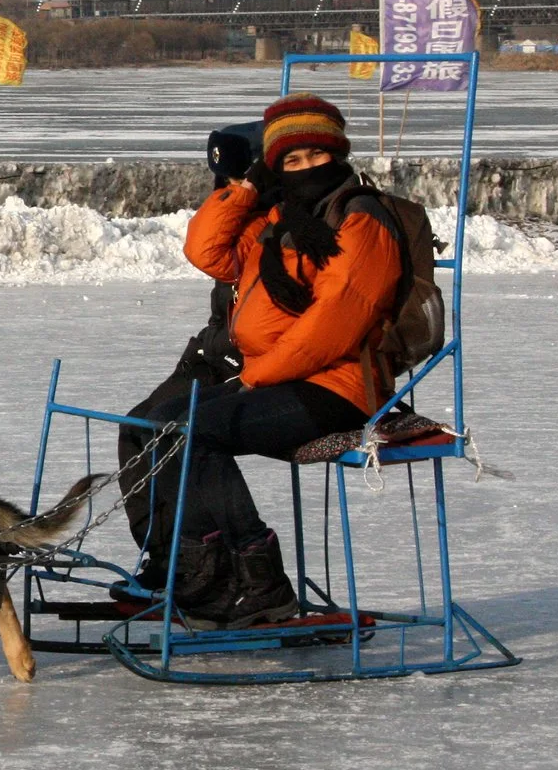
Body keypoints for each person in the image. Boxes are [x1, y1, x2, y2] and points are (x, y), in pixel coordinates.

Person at [135, 93, 402, 626]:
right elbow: (206, 251)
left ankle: (260, 586)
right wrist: (249, 187)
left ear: (339, 154)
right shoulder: (282, 219)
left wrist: (254, 377)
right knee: (157, 424)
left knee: (191, 431)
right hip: (283, 376)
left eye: (316, 156)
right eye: (291, 161)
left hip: (338, 387)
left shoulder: (360, 219)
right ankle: (203, 577)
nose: (306, 168)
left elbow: (334, 326)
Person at [113, 121, 258, 602]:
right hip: (214, 355)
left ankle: (220, 567)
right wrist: (238, 195)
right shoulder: (243, 211)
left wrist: (250, 196)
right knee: (136, 426)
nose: (232, 191)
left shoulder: (275, 218)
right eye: (225, 184)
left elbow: (207, 251)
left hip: (253, 362)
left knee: (173, 430)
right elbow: (203, 243)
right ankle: (168, 557)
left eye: (239, 180)